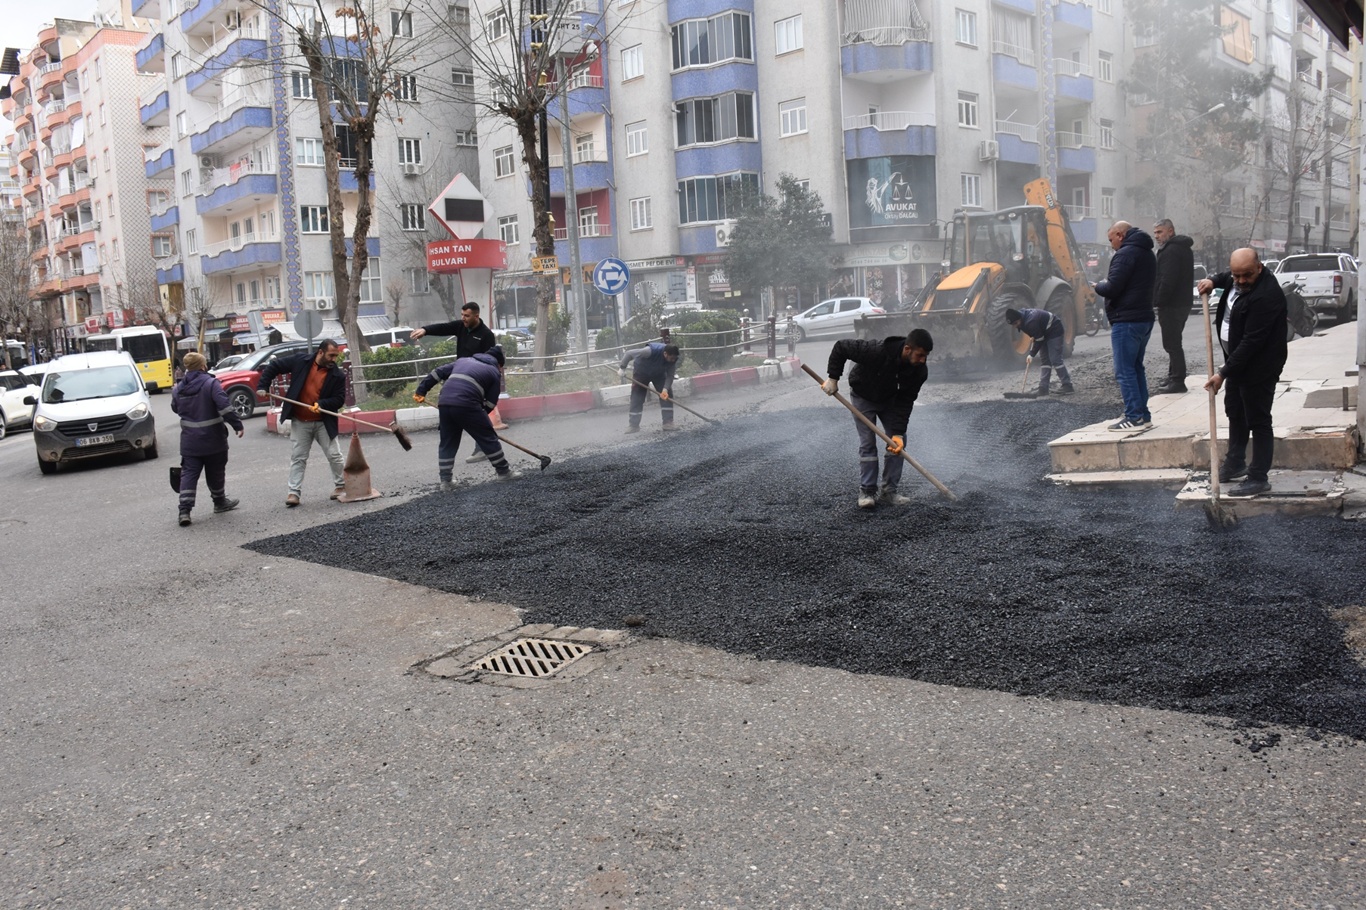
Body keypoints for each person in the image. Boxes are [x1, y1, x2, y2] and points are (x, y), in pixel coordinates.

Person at [1198, 249, 1288, 497]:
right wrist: (1213, 281)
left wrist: (1222, 373)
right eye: (1236, 275)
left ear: (1259, 268)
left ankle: (1258, 477)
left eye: (1245, 275)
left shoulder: (1266, 296)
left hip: (1259, 365)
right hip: (1237, 362)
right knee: (1235, 411)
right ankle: (1235, 462)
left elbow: (1252, 342)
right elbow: (1228, 276)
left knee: (1258, 419)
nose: (1239, 281)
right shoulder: (1237, 276)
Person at [822, 329, 934, 509]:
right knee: (868, 443)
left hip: (889, 399)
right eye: (920, 355)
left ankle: (889, 492)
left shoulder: (919, 371)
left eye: (925, 356)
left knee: (898, 443)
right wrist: (833, 378)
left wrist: (897, 433)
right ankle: (867, 491)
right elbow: (841, 347)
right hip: (863, 395)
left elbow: (905, 401)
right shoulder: (876, 351)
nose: (923, 360)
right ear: (907, 349)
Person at [257, 339, 347, 507]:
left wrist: (322, 405)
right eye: (331, 355)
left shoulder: (337, 375)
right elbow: (274, 366)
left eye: (336, 356)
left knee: (334, 455)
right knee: (298, 457)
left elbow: (339, 399)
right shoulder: (301, 361)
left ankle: (341, 486)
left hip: (323, 422)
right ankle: (294, 493)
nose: (334, 359)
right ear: (320, 352)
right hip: (301, 421)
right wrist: (264, 385)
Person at [413, 346, 518, 489]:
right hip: (467, 403)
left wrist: (421, 391)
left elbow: (437, 373)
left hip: (445, 402)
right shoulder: (494, 372)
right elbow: (491, 403)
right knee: (487, 436)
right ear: (499, 364)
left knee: (448, 442)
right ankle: (504, 472)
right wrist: (479, 419)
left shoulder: (462, 361)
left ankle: (446, 482)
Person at [409, 302, 509, 439]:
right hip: (458, 371)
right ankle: (447, 425)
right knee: (447, 394)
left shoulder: (486, 334)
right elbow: (443, 328)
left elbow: (489, 360)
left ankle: (482, 446)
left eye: (467, 316)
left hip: (476, 380)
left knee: (479, 417)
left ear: (476, 316)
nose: (463, 318)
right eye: (462, 315)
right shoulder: (461, 326)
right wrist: (425, 330)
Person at [1094, 220, 1157, 431]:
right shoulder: (1146, 252)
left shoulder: (1125, 254)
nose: (1111, 244)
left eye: (1111, 239)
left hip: (1127, 319)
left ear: (1120, 235)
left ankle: (1134, 416)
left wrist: (1098, 286)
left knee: (1124, 371)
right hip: (1143, 318)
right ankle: (1143, 415)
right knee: (1136, 368)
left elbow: (1112, 287)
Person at [170, 352, 244, 527]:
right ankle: (219, 502)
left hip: (190, 441)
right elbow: (225, 407)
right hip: (213, 439)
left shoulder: (178, 389)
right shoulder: (211, 384)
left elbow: (175, 407)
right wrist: (237, 425)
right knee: (216, 471)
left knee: (189, 474)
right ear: (203, 366)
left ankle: (184, 511)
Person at [1152, 218, 1196, 394]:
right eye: (1155, 232)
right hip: (1182, 302)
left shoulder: (1171, 251)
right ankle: (1173, 376)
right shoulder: (1182, 248)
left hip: (1172, 304)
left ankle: (1177, 381)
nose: (1156, 236)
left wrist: (1158, 301)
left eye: (1160, 232)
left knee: (1172, 343)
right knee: (1174, 341)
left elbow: (1167, 280)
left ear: (1170, 231)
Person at [1005, 307, 1074, 396]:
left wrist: (1031, 354)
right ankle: (1043, 388)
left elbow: (1039, 340)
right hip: (1043, 331)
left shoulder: (1031, 321)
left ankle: (1067, 385)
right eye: (1013, 325)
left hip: (1054, 329)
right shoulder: (1021, 319)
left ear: (1019, 318)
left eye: (1016, 323)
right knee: (1045, 360)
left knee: (1055, 359)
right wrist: (1034, 335)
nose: (1015, 326)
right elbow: (1037, 336)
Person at [620, 342, 681, 433]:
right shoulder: (648, 351)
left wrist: (665, 390)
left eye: (674, 359)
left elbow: (670, 376)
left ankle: (668, 423)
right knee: (637, 397)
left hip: (658, 374)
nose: (673, 361)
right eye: (671, 358)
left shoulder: (673, 359)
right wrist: (622, 368)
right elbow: (629, 353)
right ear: (665, 354)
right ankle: (633, 425)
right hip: (641, 372)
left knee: (667, 395)